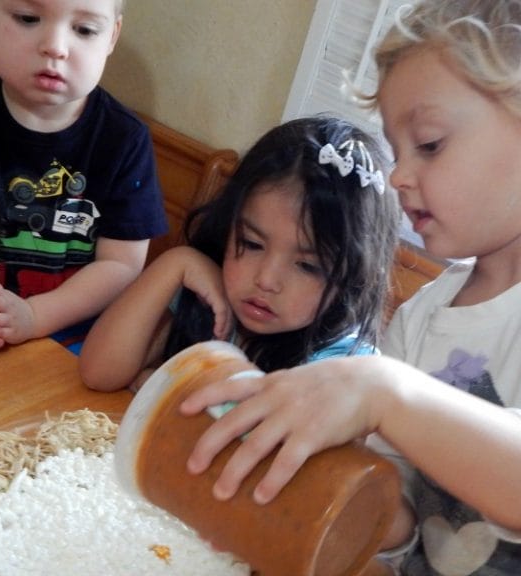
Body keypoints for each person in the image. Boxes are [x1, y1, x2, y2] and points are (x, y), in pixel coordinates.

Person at [177, 1, 521, 573]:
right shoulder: (423, 316)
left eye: (430, 143)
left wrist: (383, 392)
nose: (397, 175)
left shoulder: (387, 379)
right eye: (397, 148)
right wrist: (313, 505)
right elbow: (400, 520)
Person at [79, 115, 401, 393]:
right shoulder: (207, 293)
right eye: (251, 244)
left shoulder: (343, 368)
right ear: (229, 223)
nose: (266, 280)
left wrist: (164, 385)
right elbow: (98, 373)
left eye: (307, 265)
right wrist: (176, 263)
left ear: (354, 278)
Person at [0, 0, 168, 356]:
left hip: (69, 337)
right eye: (28, 18)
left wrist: (34, 316)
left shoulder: (124, 139)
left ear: (111, 36)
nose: (56, 48)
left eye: (85, 30)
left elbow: (120, 263)